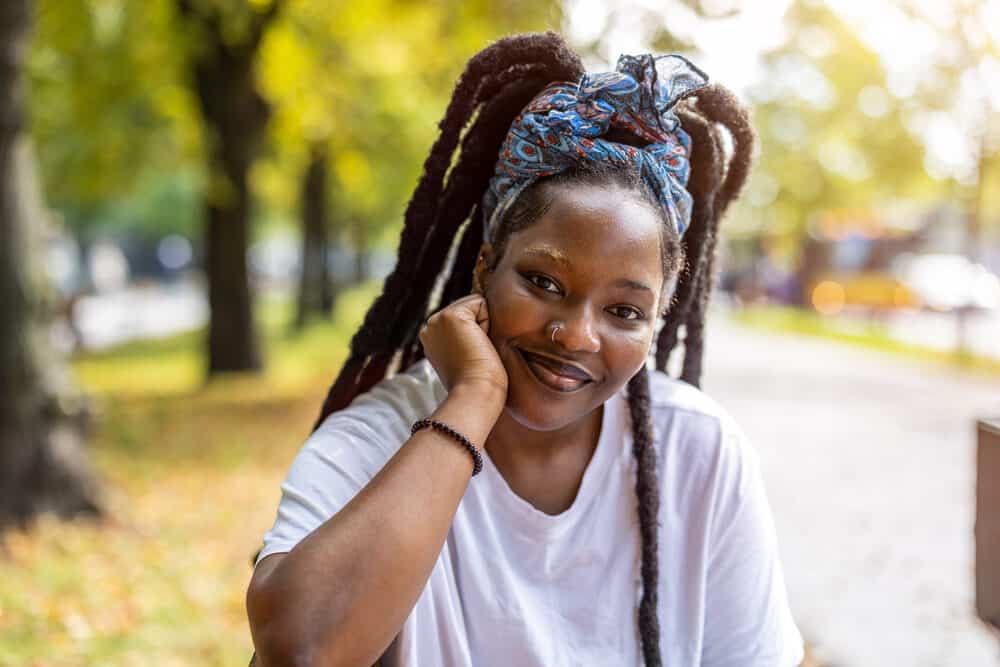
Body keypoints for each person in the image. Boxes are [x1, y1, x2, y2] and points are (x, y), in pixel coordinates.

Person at [246, 31, 804, 667]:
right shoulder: (374, 441)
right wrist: (472, 402)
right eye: (544, 282)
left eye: (624, 311)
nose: (576, 335)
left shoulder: (698, 452)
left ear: (657, 322)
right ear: (485, 268)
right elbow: (300, 648)